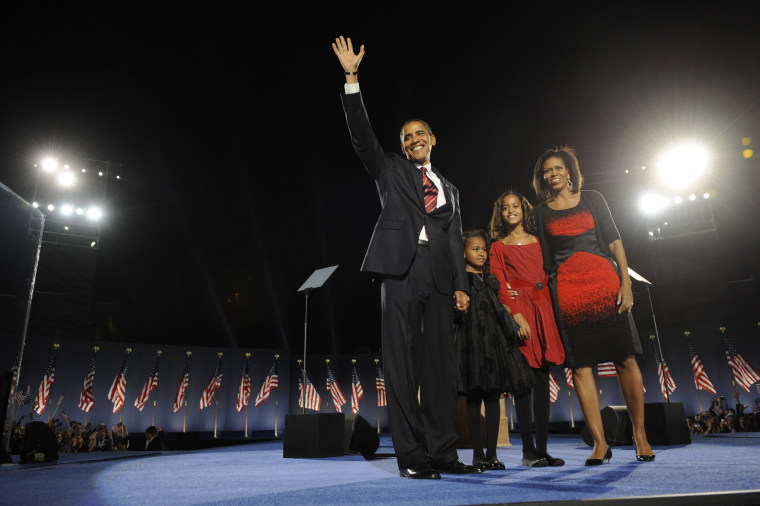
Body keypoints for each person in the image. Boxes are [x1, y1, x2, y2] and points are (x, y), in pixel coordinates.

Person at [332, 35, 479, 479]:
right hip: (399, 270)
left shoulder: (450, 189)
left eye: (420, 134)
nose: (414, 139)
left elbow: (455, 241)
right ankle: (412, 457)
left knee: (439, 368)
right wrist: (352, 79)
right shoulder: (390, 168)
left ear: (433, 139)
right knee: (401, 364)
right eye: (406, 136)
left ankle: (444, 454)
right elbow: (362, 138)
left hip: (438, 278)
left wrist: (460, 285)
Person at [531, 146, 655, 465]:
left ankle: (640, 435)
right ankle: (600, 443)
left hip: (604, 282)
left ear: (570, 171)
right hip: (568, 291)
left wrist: (626, 283)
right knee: (581, 366)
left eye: (558, 168)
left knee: (625, 358)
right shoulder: (541, 211)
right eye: (547, 170)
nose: (553, 173)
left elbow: (614, 240)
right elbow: (545, 260)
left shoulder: (593, 199)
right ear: (542, 177)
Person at [488, 191, 566, 467]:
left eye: (515, 206)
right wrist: (517, 317)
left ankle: (543, 449)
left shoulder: (538, 241)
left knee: (543, 382)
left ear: (524, 210)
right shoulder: (498, 246)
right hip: (520, 314)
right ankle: (527, 452)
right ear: (500, 214)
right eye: (505, 207)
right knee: (524, 385)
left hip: (544, 310)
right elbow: (498, 286)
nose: (511, 210)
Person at [455, 229, 534, 470]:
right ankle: (477, 455)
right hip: (471, 345)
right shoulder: (460, 283)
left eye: (484, 250)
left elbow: (502, 308)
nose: (481, 254)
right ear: (464, 252)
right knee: (473, 397)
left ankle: (492, 454)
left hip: (494, 345)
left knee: (493, 397)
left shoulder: (490, 281)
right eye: (475, 249)